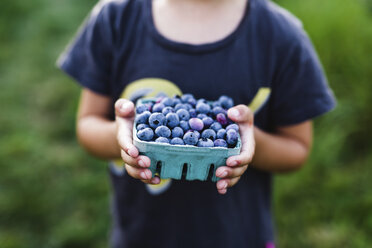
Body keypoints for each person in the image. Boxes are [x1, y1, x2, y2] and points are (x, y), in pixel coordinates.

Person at [57, 0, 336, 247]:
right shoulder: (116, 18)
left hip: (235, 235)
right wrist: (123, 138)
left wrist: (248, 144)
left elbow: (297, 149)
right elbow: (87, 124)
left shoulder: (281, 36)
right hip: (142, 234)